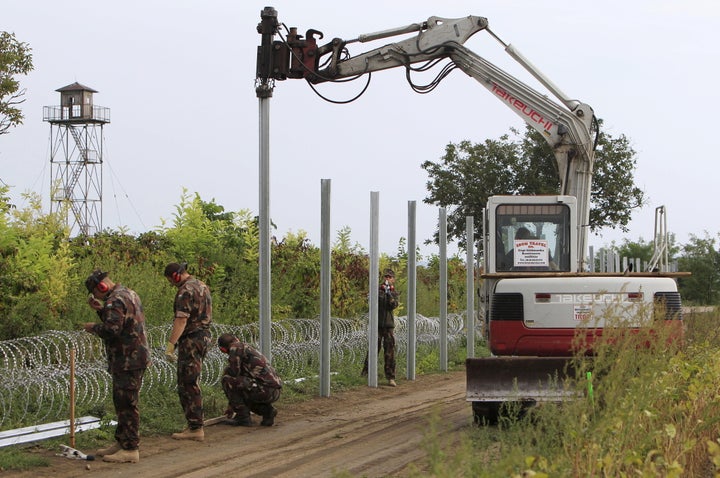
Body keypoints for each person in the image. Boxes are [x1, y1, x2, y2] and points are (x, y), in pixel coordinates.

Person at [83, 270, 150, 464]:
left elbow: (112, 329)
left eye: (96, 293)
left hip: (128, 359)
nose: (97, 297)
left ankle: (130, 449)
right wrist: (101, 310)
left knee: (127, 403)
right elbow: (122, 320)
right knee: (121, 402)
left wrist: (93, 327)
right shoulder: (128, 293)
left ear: (101, 287)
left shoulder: (114, 301)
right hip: (134, 357)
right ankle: (122, 442)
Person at [163, 262, 213, 442]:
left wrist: (171, 344)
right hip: (204, 336)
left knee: (187, 382)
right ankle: (195, 424)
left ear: (175, 276)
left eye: (170, 280)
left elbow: (181, 320)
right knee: (192, 380)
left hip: (191, 339)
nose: (171, 283)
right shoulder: (202, 285)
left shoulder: (185, 291)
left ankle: (195, 427)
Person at [217, 333, 282, 427]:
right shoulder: (246, 348)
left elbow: (233, 374)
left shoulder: (235, 347)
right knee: (243, 390)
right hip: (273, 391)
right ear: (237, 338)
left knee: (227, 379)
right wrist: (232, 405)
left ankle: (242, 418)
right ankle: (267, 411)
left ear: (223, 349)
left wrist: (233, 405)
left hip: (264, 390)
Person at [362, 268, 399, 387]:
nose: (387, 279)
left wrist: (389, 295)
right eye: (386, 277)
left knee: (389, 352)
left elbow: (393, 305)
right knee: (373, 349)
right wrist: (382, 292)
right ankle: (366, 373)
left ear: (393, 279)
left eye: (390, 277)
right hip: (377, 324)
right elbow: (373, 301)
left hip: (388, 326)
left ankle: (390, 377)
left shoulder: (393, 292)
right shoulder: (377, 290)